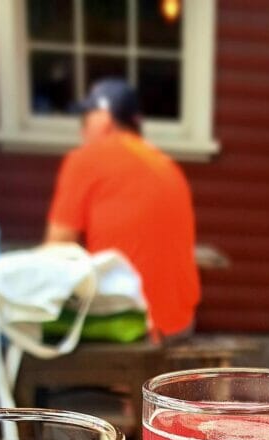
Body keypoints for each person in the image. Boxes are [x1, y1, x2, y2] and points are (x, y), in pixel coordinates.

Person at [46, 78, 200, 342]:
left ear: (104, 119)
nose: (81, 131)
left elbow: (56, 250)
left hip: (133, 326)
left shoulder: (84, 160)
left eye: (85, 121)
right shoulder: (168, 166)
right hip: (181, 322)